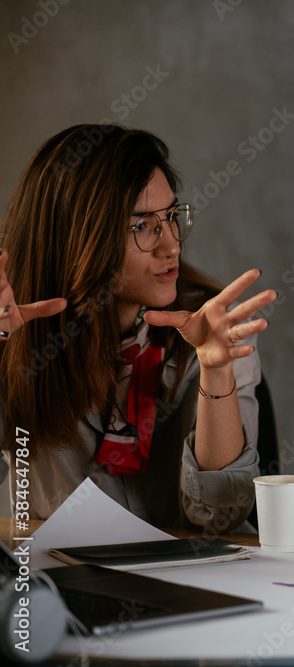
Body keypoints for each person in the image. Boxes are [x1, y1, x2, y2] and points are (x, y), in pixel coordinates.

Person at [0, 124, 276, 532]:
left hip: (197, 583)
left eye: (170, 217)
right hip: (67, 586)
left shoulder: (215, 325)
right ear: (79, 237)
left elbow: (222, 516)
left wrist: (216, 371)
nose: (172, 246)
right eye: (142, 225)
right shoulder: (18, 330)